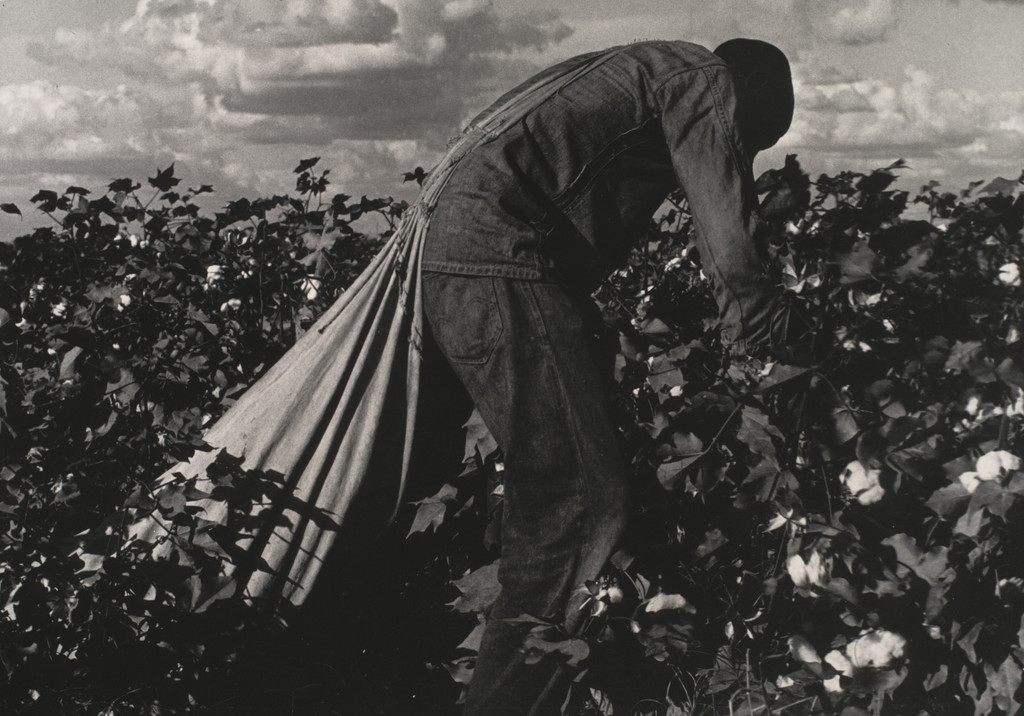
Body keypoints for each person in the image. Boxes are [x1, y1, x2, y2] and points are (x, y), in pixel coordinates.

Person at [418, 38, 795, 714]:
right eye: (748, 143)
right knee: (579, 505)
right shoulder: (706, 81)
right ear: (747, 101)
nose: (741, 159)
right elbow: (730, 245)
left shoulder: (644, 70)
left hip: (464, 262)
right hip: (501, 261)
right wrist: (765, 358)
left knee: (545, 482)